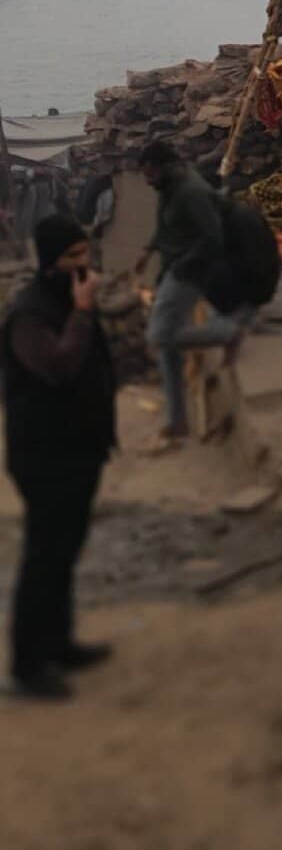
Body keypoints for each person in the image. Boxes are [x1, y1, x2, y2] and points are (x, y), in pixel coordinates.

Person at [3, 215, 116, 701]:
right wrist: (85, 311)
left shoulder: (60, 299)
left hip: (78, 447)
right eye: (73, 257)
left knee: (66, 550)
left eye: (85, 254)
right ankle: (28, 665)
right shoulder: (29, 313)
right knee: (45, 557)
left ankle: (60, 643)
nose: (83, 265)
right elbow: (58, 366)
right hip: (45, 455)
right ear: (51, 260)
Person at [139, 139, 247, 442]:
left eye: (150, 176)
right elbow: (164, 228)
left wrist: (181, 266)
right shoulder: (169, 188)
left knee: (159, 336)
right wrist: (148, 251)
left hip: (193, 271)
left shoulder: (192, 192)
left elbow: (213, 238)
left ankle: (227, 333)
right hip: (175, 267)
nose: (148, 182)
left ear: (164, 168)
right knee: (168, 348)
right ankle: (178, 420)